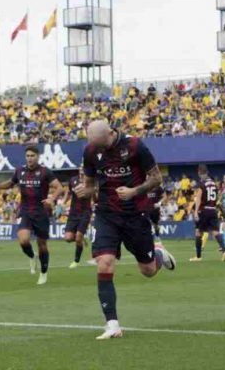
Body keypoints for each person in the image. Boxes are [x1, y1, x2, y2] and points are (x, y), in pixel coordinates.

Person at [75, 120, 175, 340]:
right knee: (104, 262)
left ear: (111, 133)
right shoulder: (90, 151)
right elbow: (91, 183)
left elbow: (157, 178)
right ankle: (112, 325)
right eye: (96, 147)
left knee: (147, 271)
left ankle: (158, 254)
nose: (99, 150)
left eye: (102, 146)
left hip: (135, 214)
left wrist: (134, 191)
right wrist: (86, 190)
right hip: (106, 214)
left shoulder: (135, 146)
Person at [0, 145, 63, 285]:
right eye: (28, 156)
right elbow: (11, 183)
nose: (30, 158)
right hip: (25, 211)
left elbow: (60, 187)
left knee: (42, 244)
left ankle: (43, 273)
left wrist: (52, 198)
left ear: (38, 157)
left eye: (32, 156)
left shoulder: (45, 172)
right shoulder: (19, 171)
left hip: (41, 212)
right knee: (23, 240)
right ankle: (31, 256)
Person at [190, 164, 225, 261]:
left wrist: (196, 212)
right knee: (215, 231)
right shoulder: (214, 184)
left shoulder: (202, 184)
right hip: (213, 210)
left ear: (199, 173)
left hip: (204, 210)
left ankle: (198, 257)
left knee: (198, 232)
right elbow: (217, 197)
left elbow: (198, 198)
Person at [64, 171, 93, 269]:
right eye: (80, 167)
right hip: (73, 213)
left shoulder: (90, 181)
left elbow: (94, 194)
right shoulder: (73, 180)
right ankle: (81, 239)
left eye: (84, 168)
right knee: (68, 238)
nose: (82, 169)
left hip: (85, 212)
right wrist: (63, 202)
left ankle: (76, 261)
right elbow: (68, 192)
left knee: (78, 237)